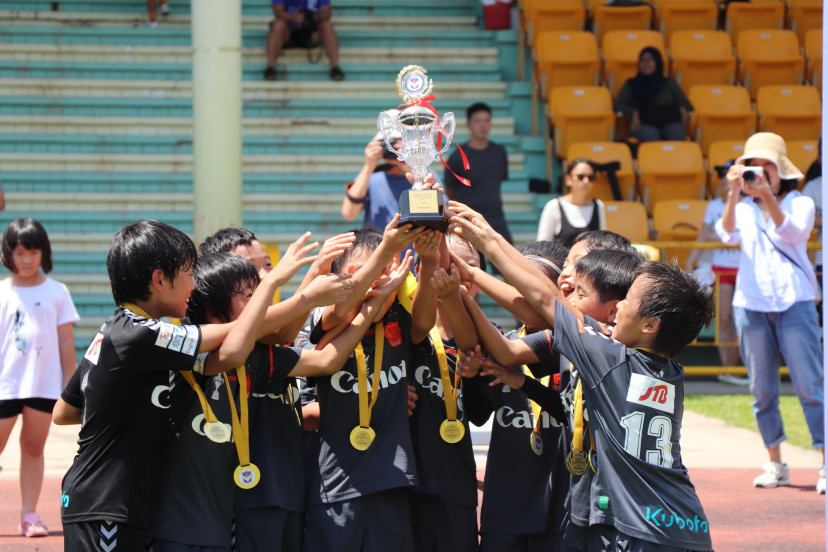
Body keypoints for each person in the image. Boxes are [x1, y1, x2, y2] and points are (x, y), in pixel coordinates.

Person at [450, 202, 715, 551]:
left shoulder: (609, 358)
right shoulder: (669, 371)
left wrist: (488, 242)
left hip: (639, 529)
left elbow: (546, 299)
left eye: (629, 300)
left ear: (650, 325)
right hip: (685, 521)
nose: (618, 307)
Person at [52, 220, 318, 550]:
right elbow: (233, 343)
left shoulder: (116, 332)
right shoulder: (139, 333)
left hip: (113, 501)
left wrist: (125, 406)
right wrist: (286, 286)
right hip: (106, 500)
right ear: (159, 280)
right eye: (188, 274)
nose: (194, 286)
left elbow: (64, 411)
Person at [300, 220, 438, 552]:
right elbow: (338, 313)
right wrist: (385, 253)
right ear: (335, 278)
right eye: (361, 272)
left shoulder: (398, 320)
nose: (374, 280)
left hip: (390, 482)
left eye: (382, 270)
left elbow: (425, 321)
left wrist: (430, 260)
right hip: (334, 485)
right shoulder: (319, 318)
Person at [715, 132, 825, 494]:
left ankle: (825, 462)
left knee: (810, 385)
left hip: (795, 302)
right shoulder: (743, 207)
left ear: (782, 171)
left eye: (767, 167)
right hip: (751, 305)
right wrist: (735, 193)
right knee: (762, 390)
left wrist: (764, 197)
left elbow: (791, 233)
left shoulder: (800, 202)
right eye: (752, 167)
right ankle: (775, 461)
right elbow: (726, 234)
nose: (759, 174)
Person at [0, 218, 78, 538]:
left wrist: (70, 387)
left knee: (33, 449)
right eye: (20, 252)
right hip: (5, 385)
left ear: (43, 253)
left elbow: (65, 342)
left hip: (43, 386)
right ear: (8, 254)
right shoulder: (2, 292)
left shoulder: (57, 291)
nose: (27, 259)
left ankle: (29, 514)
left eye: (33, 252)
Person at [407, 234, 481, 552]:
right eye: (449, 263)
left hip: (457, 487)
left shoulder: (485, 336)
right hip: (408, 485)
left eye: (469, 267)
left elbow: (480, 412)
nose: (456, 274)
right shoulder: (404, 325)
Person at [685, 160, 748, 385]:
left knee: (743, 320)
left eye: (728, 173)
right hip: (720, 268)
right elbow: (705, 235)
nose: (724, 178)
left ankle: (731, 369)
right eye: (722, 174)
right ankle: (727, 370)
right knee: (724, 319)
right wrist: (690, 263)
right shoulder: (713, 206)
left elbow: (729, 236)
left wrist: (718, 235)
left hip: (744, 269)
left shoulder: (750, 204)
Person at [341, 119, 442, 230]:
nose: (392, 149)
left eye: (397, 143)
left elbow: (441, 213)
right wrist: (368, 166)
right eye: (387, 144)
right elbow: (349, 214)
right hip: (381, 245)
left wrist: (411, 165)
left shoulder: (426, 175)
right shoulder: (370, 177)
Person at [444, 102, 512, 244]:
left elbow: (497, 183)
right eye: (477, 121)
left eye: (486, 121)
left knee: (505, 261)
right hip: (467, 219)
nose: (482, 126)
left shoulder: (499, 152)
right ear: (468, 124)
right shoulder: (457, 157)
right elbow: (450, 191)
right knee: (471, 262)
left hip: (495, 218)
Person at [614, 46, 692, 143]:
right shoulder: (631, 84)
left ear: (657, 63)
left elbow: (686, 105)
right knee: (651, 135)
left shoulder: (669, 83)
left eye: (650, 60)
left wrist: (682, 110)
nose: (646, 63)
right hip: (643, 123)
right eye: (643, 60)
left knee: (677, 133)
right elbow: (617, 105)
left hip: (668, 121)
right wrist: (633, 113)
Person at [263, 0, 343, 81]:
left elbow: (327, 12)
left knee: (326, 25)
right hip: (289, 32)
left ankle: (335, 67)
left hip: (311, 32)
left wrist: (315, 17)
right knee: (278, 24)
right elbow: (278, 12)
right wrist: (294, 17)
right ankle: (270, 67)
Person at [536, 158, 606, 247]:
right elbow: (541, 245)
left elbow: (603, 244)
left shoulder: (599, 205)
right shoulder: (554, 206)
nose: (586, 181)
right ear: (568, 179)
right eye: (581, 177)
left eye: (591, 177)